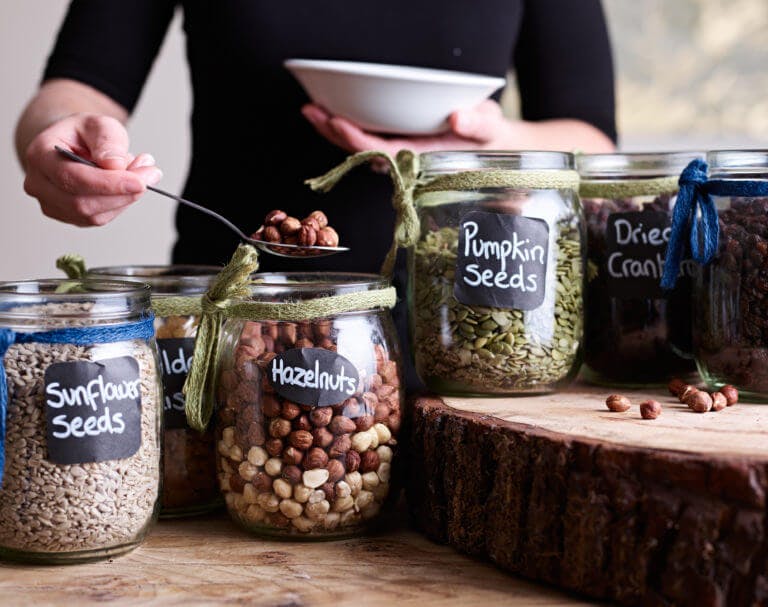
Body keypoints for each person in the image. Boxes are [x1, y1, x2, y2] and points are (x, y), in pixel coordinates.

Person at [16, 0, 616, 384]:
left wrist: (485, 146)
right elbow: (76, 88)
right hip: (224, 340)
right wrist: (58, 139)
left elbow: (594, 142)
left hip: (465, 341)